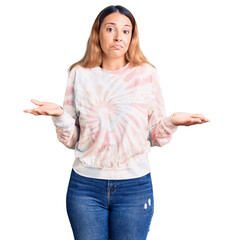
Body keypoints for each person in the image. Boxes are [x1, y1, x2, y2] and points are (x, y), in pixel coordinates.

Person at [23, 5, 210, 240]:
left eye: (126, 30)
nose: (118, 36)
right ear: (98, 33)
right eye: (110, 28)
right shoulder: (79, 74)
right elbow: (72, 140)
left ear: (132, 37)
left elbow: (154, 137)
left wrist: (172, 121)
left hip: (134, 187)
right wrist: (59, 116)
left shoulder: (146, 74)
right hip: (85, 188)